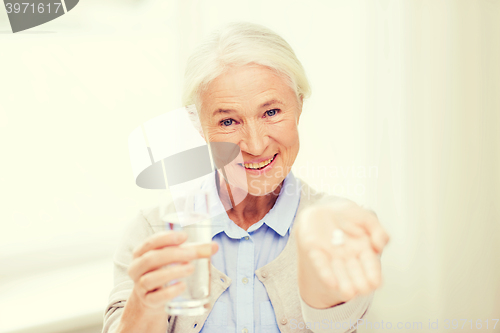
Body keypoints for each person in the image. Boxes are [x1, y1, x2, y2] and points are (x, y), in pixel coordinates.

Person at [102, 21, 390, 333]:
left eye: (271, 113)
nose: (254, 145)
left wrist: (320, 269)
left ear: (299, 105)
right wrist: (145, 303)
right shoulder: (152, 231)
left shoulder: (339, 228)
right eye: (228, 121)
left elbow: (336, 325)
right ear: (199, 126)